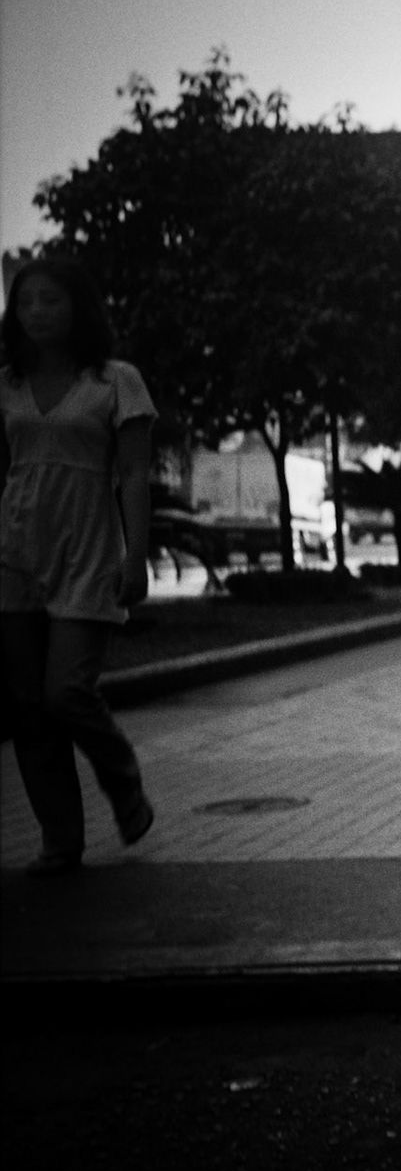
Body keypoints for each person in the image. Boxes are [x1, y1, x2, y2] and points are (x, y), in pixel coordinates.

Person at [0, 256, 157, 876]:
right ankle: (60, 840)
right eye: (27, 300)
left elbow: (135, 473)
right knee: (28, 710)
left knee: (66, 692)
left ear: (79, 307)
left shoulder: (116, 381)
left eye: (52, 299)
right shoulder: (5, 384)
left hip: (88, 554)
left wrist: (136, 556)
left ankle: (122, 781)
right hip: (12, 556)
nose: (38, 311)